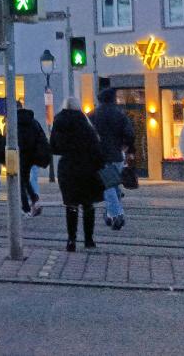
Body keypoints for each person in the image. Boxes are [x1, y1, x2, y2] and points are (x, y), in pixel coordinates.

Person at [50, 97, 105, 252]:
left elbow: (53, 147)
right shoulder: (85, 123)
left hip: (68, 167)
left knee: (71, 205)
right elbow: (96, 147)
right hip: (87, 167)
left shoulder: (58, 122)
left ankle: (71, 240)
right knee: (88, 204)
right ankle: (89, 240)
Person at [90, 88, 135, 230]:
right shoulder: (120, 114)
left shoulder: (94, 114)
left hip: (101, 155)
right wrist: (126, 147)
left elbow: (87, 133)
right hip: (117, 155)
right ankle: (111, 214)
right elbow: (129, 133)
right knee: (113, 184)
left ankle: (117, 214)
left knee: (108, 186)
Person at [17, 103, 51, 216]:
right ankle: (34, 200)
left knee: (20, 182)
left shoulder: (14, 122)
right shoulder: (33, 121)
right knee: (26, 181)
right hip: (33, 155)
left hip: (20, 155)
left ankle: (26, 208)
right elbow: (41, 137)